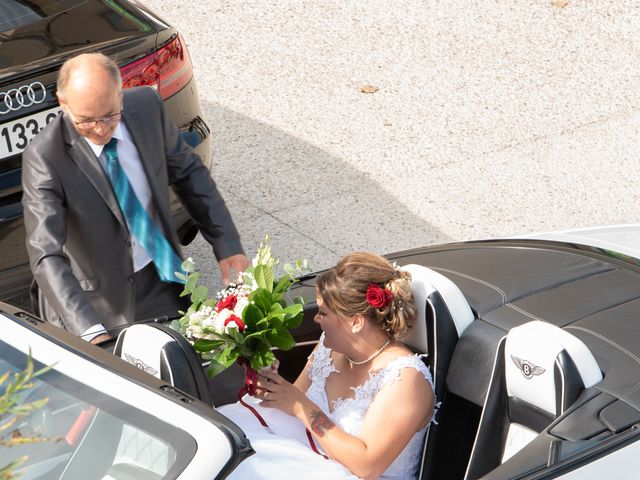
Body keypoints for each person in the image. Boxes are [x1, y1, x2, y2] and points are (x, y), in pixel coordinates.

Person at [21, 53, 249, 345]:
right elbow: (46, 254)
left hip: (162, 281)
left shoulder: (147, 106)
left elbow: (189, 174)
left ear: (120, 95)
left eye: (109, 115)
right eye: (87, 121)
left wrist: (226, 243)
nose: (101, 129)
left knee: (192, 375)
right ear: (63, 103)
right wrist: (89, 331)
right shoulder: (44, 157)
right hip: (94, 307)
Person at [218, 252, 436, 480]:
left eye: (323, 313)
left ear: (355, 322)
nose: (316, 319)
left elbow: (367, 466)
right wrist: (273, 385)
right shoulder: (328, 347)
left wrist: (299, 405)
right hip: (309, 458)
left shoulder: (405, 378)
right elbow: (294, 403)